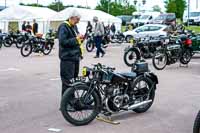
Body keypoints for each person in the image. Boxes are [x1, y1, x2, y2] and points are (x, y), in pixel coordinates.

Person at [57, 10, 83, 96]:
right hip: (67, 58)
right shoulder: (64, 26)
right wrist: (76, 39)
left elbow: (77, 39)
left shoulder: (74, 26)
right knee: (67, 81)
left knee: (73, 81)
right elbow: (63, 42)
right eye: (77, 20)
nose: (78, 22)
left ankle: (71, 99)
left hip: (75, 57)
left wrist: (80, 38)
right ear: (71, 18)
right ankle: (66, 102)